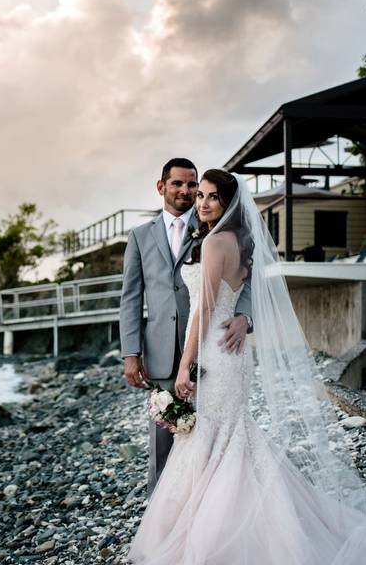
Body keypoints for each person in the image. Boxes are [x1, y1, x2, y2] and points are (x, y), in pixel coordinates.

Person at [127, 169, 366, 564]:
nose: (202, 203)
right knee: (227, 435)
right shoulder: (241, 243)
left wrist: (186, 363)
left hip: (214, 350)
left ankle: (215, 531)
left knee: (216, 436)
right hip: (233, 356)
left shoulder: (213, 244)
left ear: (228, 204)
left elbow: (205, 309)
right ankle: (229, 517)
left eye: (211, 197)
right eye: (200, 196)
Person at [119, 158, 253, 496]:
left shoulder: (216, 224)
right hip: (162, 349)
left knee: (212, 428)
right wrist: (130, 353)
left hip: (212, 347)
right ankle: (162, 510)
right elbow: (131, 297)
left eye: (192, 185)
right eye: (178, 184)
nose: (188, 191)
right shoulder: (140, 236)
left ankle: (209, 507)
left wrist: (245, 317)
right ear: (161, 186)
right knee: (166, 433)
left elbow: (250, 275)